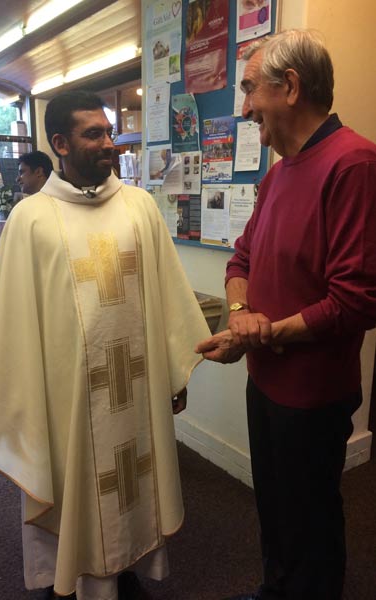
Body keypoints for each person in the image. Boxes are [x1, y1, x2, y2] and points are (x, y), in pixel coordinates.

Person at [0, 90, 210, 600]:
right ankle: (72, 575)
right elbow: (12, 324)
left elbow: (165, 296)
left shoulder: (139, 207)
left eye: (109, 132)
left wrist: (171, 371)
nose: (109, 143)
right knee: (74, 487)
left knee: (132, 483)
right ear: (60, 144)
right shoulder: (31, 219)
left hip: (134, 388)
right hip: (66, 396)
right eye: (93, 134)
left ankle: (125, 567)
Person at [196, 29, 376, 600]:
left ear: (291, 87)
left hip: (314, 394)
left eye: (250, 89)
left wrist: (261, 332)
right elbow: (241, 259)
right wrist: (242, 314)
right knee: (275, 509)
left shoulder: (355, 163)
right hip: (266, 379)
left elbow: (356, 300)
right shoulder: (278, 172)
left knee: (310, 522)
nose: (245, 108)